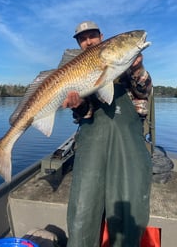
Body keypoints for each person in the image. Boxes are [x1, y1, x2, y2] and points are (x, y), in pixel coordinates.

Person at [62, 21, 153, 247]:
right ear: (78, 43)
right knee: (83, 210)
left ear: (102, 37)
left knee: (128, 209)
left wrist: (136, 68)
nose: (88, 41)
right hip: (92, 141)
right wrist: (78, 105)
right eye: (82, 39)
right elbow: (84, 115)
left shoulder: (123, 65)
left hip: (129, 144)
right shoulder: (78, 71)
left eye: (92, 36)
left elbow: (144, 90)